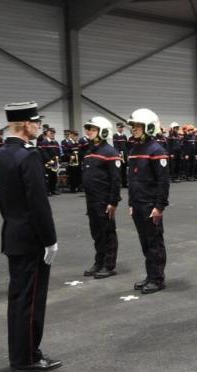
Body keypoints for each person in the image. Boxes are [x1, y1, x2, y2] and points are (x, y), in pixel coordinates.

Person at [0, 101, 61, 372]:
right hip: (32, 238)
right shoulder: (28, 156)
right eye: (36, 122)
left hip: (13, 232)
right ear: (24, 124)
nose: (39, 126)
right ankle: (28, 357)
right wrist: (50, 239)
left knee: (19, 299)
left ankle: (20, 354)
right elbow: (38, 204)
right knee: (31, 300)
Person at [127, 108, 170, 294]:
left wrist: (159, 206)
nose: (134, 129)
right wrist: (130, 203)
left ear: (149, 127)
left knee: (154, 242)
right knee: (145, 242)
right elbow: (131, 179)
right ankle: (150, 275)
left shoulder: (157, 150)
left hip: (150, 205)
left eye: (138, 125)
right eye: (134, 125)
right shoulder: (135, 148)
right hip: (137, 204)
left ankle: (157, 278)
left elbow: (163, 181)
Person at [81, 117, 122, 279]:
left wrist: (113, 202)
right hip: (91, 200)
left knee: (107, 233)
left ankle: (108, 265)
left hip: (104, 200)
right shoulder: (89, 152)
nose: (88, 131)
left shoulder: (111, 152)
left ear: (103, 131)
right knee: (96, 233)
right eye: (88, 128)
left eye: (92, 128)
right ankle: (99, 262)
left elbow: (116, 180)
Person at [113, 123, 129, 188]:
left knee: (124, 168)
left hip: (125, 154)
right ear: (117, 128)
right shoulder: (115, 136)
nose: (121, 129)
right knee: (119, 169)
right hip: (119, 154)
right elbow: (115, 146)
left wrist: (127, 154)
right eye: (120, 127)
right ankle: (119, 183)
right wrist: (118, 154)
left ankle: (124, 183)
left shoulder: (124, 136)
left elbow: (126, 146)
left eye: (122, 128)